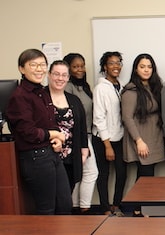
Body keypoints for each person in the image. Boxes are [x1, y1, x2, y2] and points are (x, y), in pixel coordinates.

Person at [6, 49, 71, 214]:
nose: (39, 69)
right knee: (47, 209)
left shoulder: (41, 92)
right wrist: (54, 134)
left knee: (64, 205)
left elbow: (50, 121)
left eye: (42, 65)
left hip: (51, 153)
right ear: (22, 68)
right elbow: (28, 131)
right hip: (36, 158)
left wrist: (57, 136)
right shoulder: (20, 96)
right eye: (33, 65)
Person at [46, 60, 89, 207]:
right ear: (49, 75)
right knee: (52, 197)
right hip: (48, 157)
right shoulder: (40, 98)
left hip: (71, 157)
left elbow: (82, 126)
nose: (60, 78)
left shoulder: (74, 100)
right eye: (56, 74)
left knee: (66, 195)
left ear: (68, 77)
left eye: (64, 75)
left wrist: (84, 150)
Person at [92, 51, 127, 215]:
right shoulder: (100, 88)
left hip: (119, 136)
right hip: (103, 139)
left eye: (118, 63)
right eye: (111, 63)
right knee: (104, 174)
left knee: (122, 172)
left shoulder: (121, 86)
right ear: (105, 67)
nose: (116, 66)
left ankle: (117, 204)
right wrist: (107, 146)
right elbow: (98, 118)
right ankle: (105, 208)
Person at [63, 53, 99, 214]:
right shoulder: (67, 87)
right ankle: (83, 207)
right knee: (90, 172)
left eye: (82, 66)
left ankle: (77, 207)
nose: (80, 69)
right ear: (68, 69)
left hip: (88, 134)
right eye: (76, 66)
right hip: (77, 136)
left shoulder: (84, 87)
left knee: (82, 172)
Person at [122, 53, 165, 178]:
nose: (146, 70)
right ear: (136, 69)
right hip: (142, 138)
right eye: (142, 67)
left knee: (148, 177)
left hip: (154, 137)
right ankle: (138, 199)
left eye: (149, 67)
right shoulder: (131, 90)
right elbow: (127, 118)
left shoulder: (154, 87)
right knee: (145, 178)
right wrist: (139, 141)